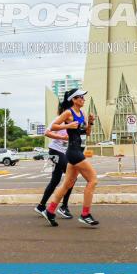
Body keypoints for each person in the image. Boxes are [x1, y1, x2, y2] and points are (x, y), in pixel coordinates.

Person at [44, 89, 98, 227]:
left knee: (67, 184)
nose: (83, 99)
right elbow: (52, 127)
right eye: (80, 97)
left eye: (83, 97)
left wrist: (90, 123)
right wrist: (67, 125)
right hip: (74, 152)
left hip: (76, 150)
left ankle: (50, 211)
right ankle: (85, 214)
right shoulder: (68, 112)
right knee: (93, 180)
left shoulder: (83, 113)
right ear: (74, 100)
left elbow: (86, 133)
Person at [34, 106, 75, 220]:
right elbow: (46, 133)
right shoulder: (58, 120)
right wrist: (62, 137)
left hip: (63, 152)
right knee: (72, 176)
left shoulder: (72, 122)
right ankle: (63, 206)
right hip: (54, 151)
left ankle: (41, 206)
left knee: (55, 180)